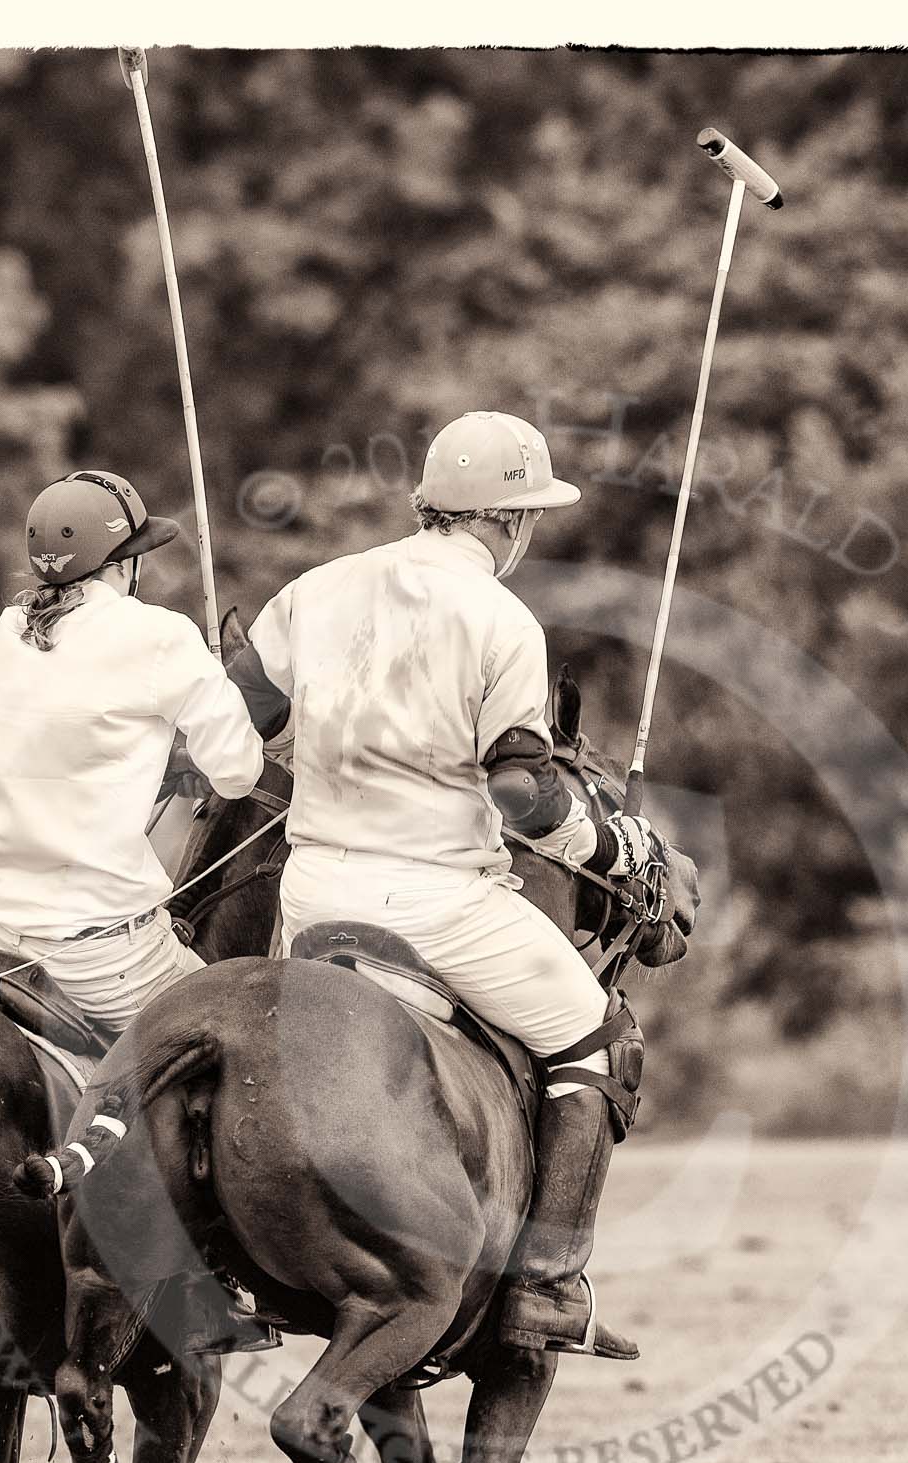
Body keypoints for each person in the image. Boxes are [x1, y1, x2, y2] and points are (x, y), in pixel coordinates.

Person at [242, 412, 666, 1359]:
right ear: (513, 521)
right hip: (438, 904)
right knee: (593, 1039)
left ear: (429, 505)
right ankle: (549, 1286)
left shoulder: (315, 589)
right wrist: (613, 852)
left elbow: (234, 725)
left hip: (308, 900)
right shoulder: (501, 618)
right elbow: (521, 793)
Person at [0, 469, 291, 1035]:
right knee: (250, 1035)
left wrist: (166, 762)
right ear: (121, 563)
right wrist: (213, 719)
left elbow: (52, 745)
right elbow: (237, 775)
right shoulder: (160, 634)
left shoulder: (8, 630)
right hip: (106, 965)